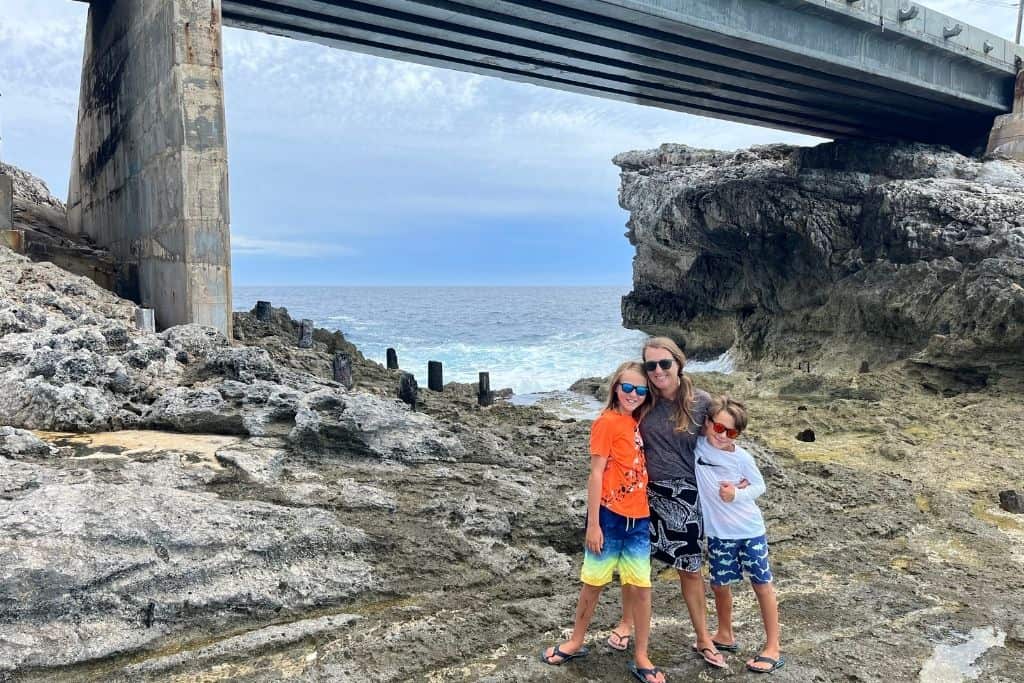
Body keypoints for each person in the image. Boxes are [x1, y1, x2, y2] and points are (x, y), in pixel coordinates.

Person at [541, 361, 666, 683]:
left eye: (640, 390)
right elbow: (596, 473)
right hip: (609, 519)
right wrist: (593, 524)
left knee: (641, 588)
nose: (633, 395)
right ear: (615, 387)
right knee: (593, 583)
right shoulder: (606, 422)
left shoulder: (638, 421)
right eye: (627, 387)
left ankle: (641, 655)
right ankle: (576, 640)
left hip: (639, 520)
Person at [610, 337, 726, 670]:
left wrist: (737, 476)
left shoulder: (701, 402)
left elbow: (723, 435)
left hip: (685, 496)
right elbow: (617, 425)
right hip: (640, 493)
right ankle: (626, 624)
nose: (658, 371)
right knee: (636, 568)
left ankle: (704, 637)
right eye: (651, 365)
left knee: (690, 570)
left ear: (678, 363)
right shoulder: (642, 398)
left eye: (664, 363)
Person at [694, 395, 784, 674]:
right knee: (720, 586)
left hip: (750, 531)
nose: (722, 436)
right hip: (719, 534)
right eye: (718, 428)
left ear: (739, 434)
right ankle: (724, 634)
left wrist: (737, 493)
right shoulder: (697, 446)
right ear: (708, 423)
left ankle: (773, 646)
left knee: (761, 584)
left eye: (731, 432)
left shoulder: (742, 457)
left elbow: (759, 486)